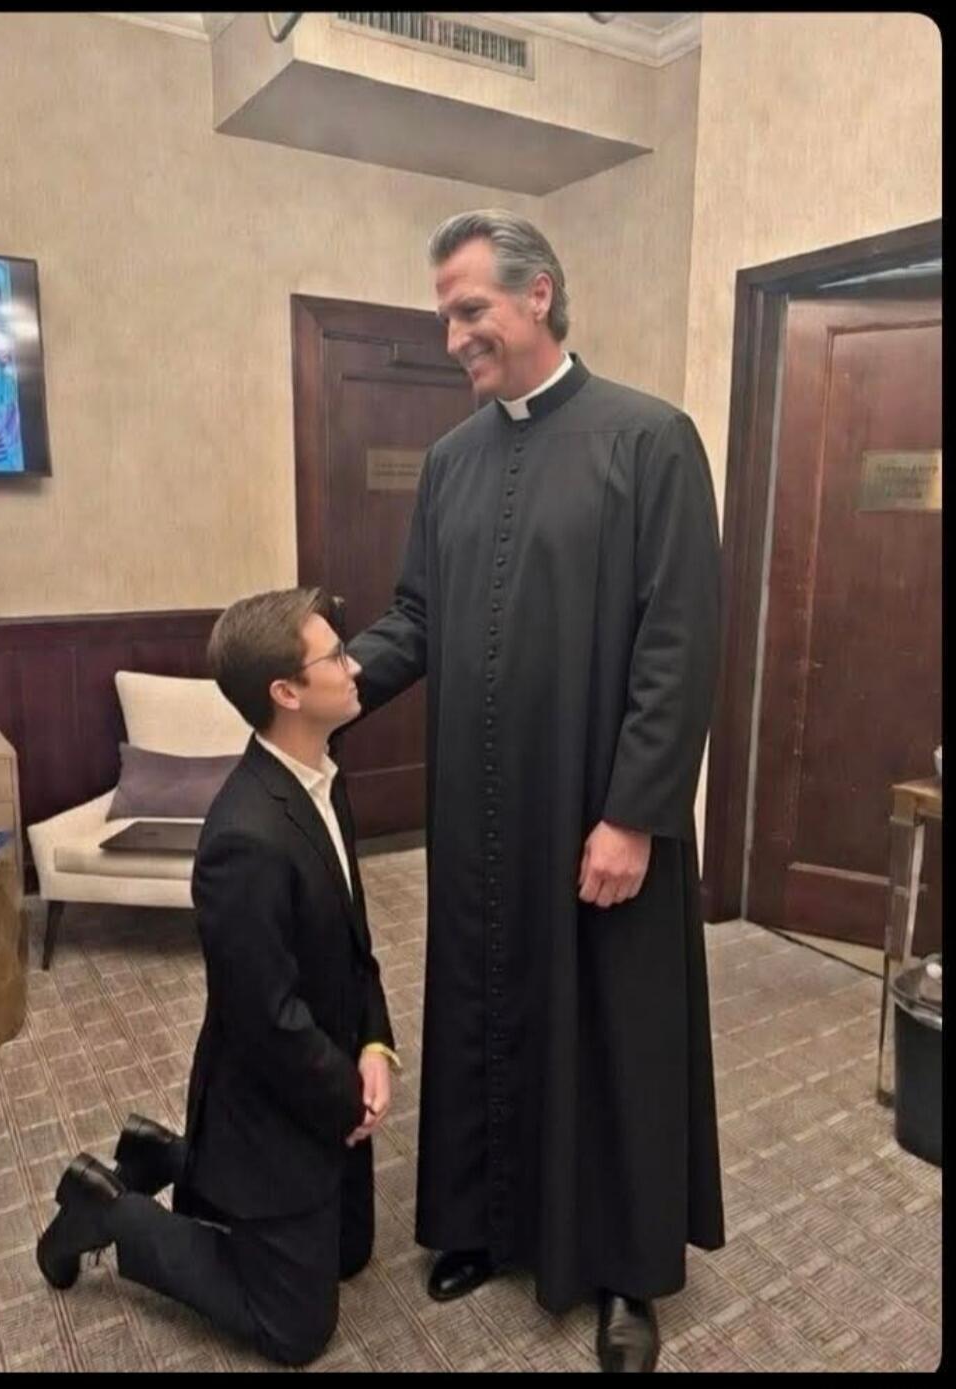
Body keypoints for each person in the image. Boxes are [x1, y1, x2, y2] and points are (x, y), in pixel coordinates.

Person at [346, 210, 725, 1372]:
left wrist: (635, 815)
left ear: (540, 296)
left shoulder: (651, 440)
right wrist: (324, 682)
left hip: (601, 812)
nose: (454, 336)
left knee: (613, 1031)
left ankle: (625, 1270)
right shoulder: (453, 462)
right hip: (479, 817)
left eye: (471, 309)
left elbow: (680, 645)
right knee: (484, 1006)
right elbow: (417, 616)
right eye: (445, 316)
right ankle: (484, 1223)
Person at [36, 587, 399, 1367]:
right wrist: (346, 1097)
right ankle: (108, 1210)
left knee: (350, 1255)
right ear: (286, 692)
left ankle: (164, 1155)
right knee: (297, 1331)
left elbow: (354, 944)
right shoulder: (244, 839)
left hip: (319, 1071)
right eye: (337, 655)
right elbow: (266, 1020)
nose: (355, 665)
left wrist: (376, 1044)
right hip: (268, 1097)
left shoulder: (323, 779)